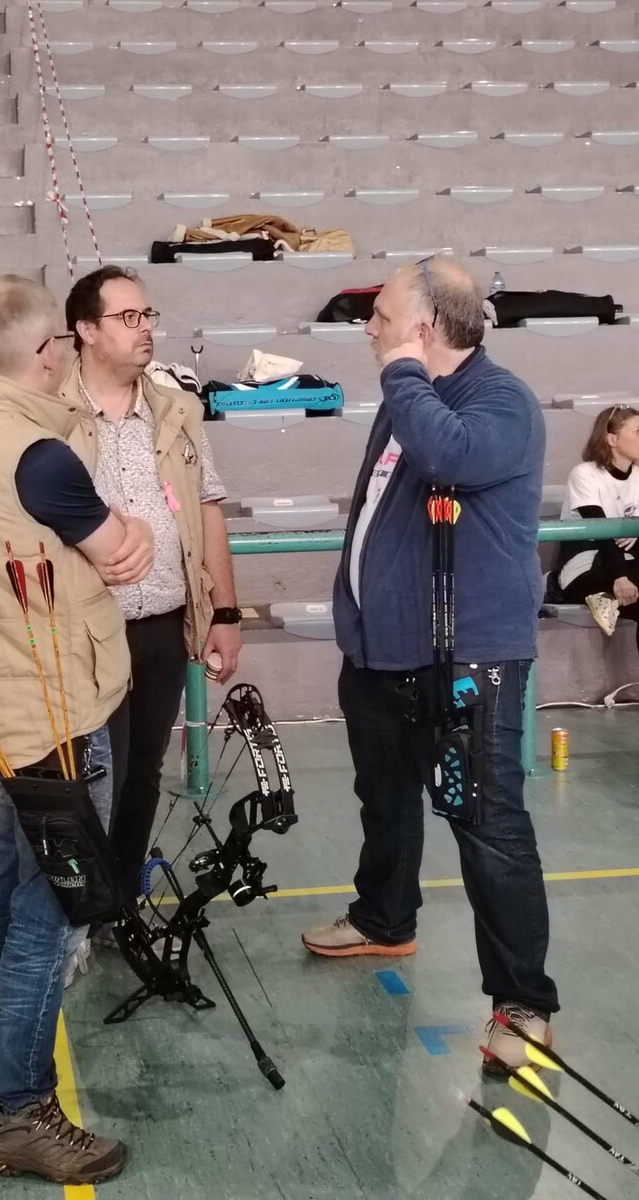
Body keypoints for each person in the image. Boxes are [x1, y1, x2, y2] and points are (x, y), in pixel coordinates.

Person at [0, 276, 154, 1185]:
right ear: (43, 352)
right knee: (50, 912)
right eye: (58, 340)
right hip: (46, 719)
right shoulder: (38, 454)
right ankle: (18, 1110)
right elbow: (121, 550)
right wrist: (127, 530)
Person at [302, 256, 558, 1070]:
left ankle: (522, 1003)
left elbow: (448, 457)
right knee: (383, 799)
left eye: (381, 315)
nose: (368, 329)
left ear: (422, 328)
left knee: (487, 827)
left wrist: (403, 371)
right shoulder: (404, 401)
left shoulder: (499, 401)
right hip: (382, 654)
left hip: (468, 657)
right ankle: (384, 918)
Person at [60, 265, 242, 898]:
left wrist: (224, 612)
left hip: (163, 625)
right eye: (128, 317)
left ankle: (120, 901)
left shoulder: (178, 411)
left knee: (142, 773)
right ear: (86, 330)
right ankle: (80, 909)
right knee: (92, 776)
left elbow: (209, 507)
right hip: (87, 632)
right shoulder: (49, 414)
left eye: (148, 316)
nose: (145, 330)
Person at [550, 404, 639, 638]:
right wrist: (620, 577)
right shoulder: (584, 474)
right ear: (612, 439)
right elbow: (601, 531)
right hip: (585, 565)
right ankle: (602, 594)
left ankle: (608, 598)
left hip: (627, 560)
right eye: (638, 431)